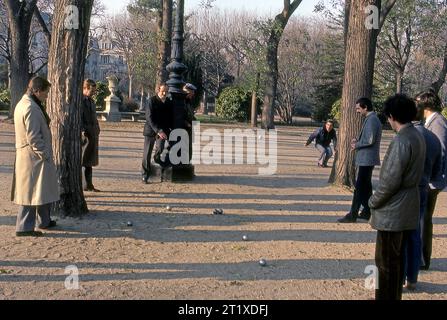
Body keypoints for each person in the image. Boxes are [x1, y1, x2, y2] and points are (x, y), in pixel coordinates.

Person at [368, 94, 425, 300]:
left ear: (392, 116)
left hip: (393, 212)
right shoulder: (417, 135)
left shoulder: (402, 140)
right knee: (396, 261)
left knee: (385, 264)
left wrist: (372, 201)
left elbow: (390, 181)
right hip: (407, 204)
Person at [11, 76, 59, 237]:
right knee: (30, 193)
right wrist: (44, 154)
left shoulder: (26, 104)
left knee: (42, 190)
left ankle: (44, 220)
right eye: (45, 93)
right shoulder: (30, 107)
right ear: (37, 91)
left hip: (33, 157)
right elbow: (33, 137)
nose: (46, 96)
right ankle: (24, 227)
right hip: (33, 158)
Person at [403, 96, 442, 290]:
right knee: (417, 228)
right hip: (425, 183)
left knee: (412, 229)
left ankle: (414, 266)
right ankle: (413, 273)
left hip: (416, 187)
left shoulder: (408, 136)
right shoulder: (429, 133)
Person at [415, 89, 447, 270]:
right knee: (423, 219)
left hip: (431, 181)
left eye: (418, 102)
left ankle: (422, 259)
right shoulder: (431, 121)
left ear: (426, 104)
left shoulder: (438, 123)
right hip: (430, 179)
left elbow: (441, 151)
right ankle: (421, 258)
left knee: (423, 219)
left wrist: (434, 179)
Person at [338, 97, 382, 223]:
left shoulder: (372, 120)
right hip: (366, 159)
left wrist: (356, 145)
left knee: (359, 188)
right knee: (366, 187)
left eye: (358, 108)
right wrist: (357, 140)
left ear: (365, 107)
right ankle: (367, 212)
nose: (357, 111)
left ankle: (353, 214)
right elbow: (367, 137)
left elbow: (369, 140)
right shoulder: (370, 119)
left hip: (367, 160)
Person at [142, 83, 172, 183]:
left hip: (163, 131)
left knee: (160, 149)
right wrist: (158, 131)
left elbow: (169, 119)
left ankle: (156, 162)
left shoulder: (168, 102)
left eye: (166, 91)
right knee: (147, 153)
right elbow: (149, 118)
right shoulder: (151, 101)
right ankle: (145, 175)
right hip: (151, 131)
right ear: (158, 90)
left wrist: (167, 131)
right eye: (163, 91)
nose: (164, 93)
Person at [81, 79, 100, 192]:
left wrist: (97, 128)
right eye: (92, 90)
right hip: (85, 135)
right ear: (85, 88)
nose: (93, 93)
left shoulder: (91, 101)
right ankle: (83, 185)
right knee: (83, 161)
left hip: (93, 133)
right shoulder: (81, 101)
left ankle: (89, 184)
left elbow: (94, 116)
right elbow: (79, 117)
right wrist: (82, 130)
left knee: (90, 162)